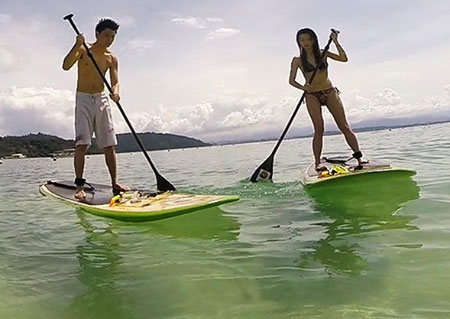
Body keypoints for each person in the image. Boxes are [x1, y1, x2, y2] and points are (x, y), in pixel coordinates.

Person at [62, 18, 128, 201]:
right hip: (83, 98)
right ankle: (79, 186)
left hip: (101, 98)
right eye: (106, 35)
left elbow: (115, 81)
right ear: (97, 34)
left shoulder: (111, 57)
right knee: (82, 143)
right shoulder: (84, 49)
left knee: (109, 144)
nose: (109, 39)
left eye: (113, 36)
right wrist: (77, 45)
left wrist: (115, 92)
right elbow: (66, 65)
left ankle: (115, 182)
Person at [289, 28, 368, 171]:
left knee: (344, 126)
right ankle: (318, 162)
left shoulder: (322, 53)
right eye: (302, 40)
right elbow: (291, 81)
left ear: (313, 40)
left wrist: (336, 41)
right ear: (299, 42)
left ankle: (359, 156)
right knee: (319, 129)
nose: (306, 42)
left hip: (329, 92)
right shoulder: (297, 60)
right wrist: (303, 87)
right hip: (312, 95)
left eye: (308, 39)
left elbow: (344, 58)